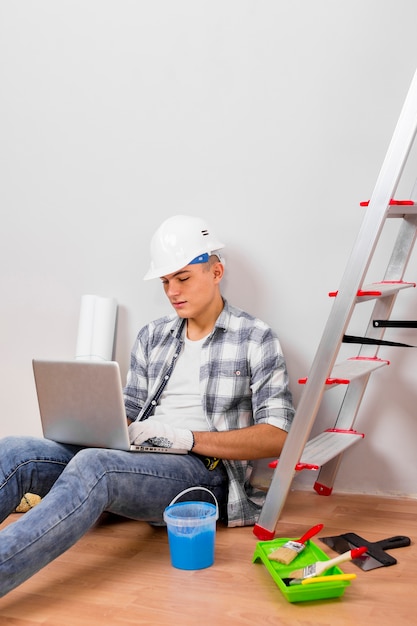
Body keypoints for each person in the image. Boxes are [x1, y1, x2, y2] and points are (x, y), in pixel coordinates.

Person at [0, 214, 294, 597]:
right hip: (138, 456)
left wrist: (184, 438)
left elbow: (277, 436)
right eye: (166, 282)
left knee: (95, 466)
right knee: (16, 451)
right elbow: (129, 408)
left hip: (205, 473)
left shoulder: (256, 338)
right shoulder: (153, 336)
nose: (173, 291)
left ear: (216, 271)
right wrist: (97, 427)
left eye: (183, 278)